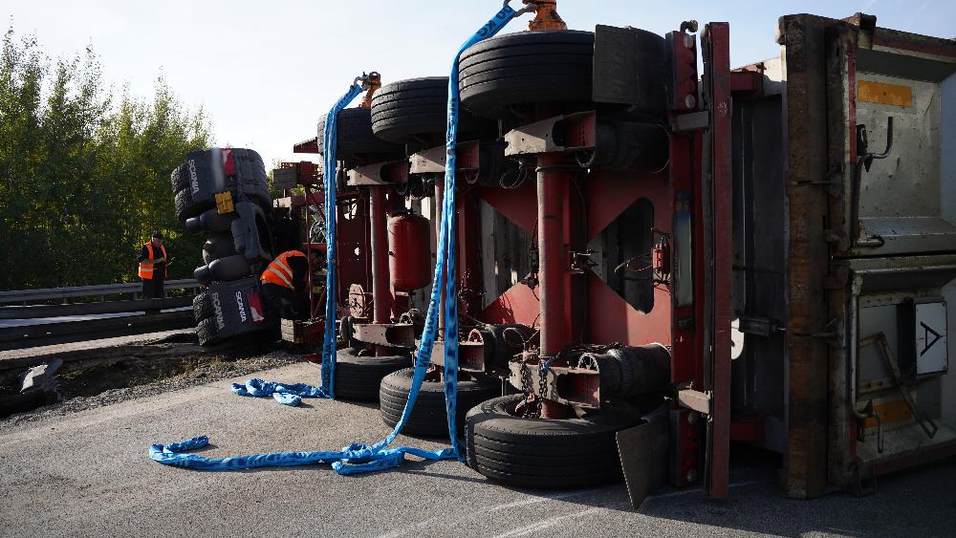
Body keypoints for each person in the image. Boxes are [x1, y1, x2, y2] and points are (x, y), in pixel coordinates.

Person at [259, 250, 312, 320]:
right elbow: (297, 284)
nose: (317, 265)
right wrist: (307, 288)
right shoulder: (303, 260)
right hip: (275, 283)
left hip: (267, 283)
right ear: (312, 256)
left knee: (281, 313)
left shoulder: (294, 255)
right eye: (318, 262)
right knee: (299, 306)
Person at [138, 232, 171, 313]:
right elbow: (143, 261)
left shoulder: (161, 247)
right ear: (153, 239)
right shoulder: (146, 247)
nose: (160, 243)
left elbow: (163, 260)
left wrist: (166, 263)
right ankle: (149, 318)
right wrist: (158, 260)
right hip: (149, 278)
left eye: (161, 241)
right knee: (149, 300)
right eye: (159, 241)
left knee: (159, 299)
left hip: (159, 277)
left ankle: (157, 317)